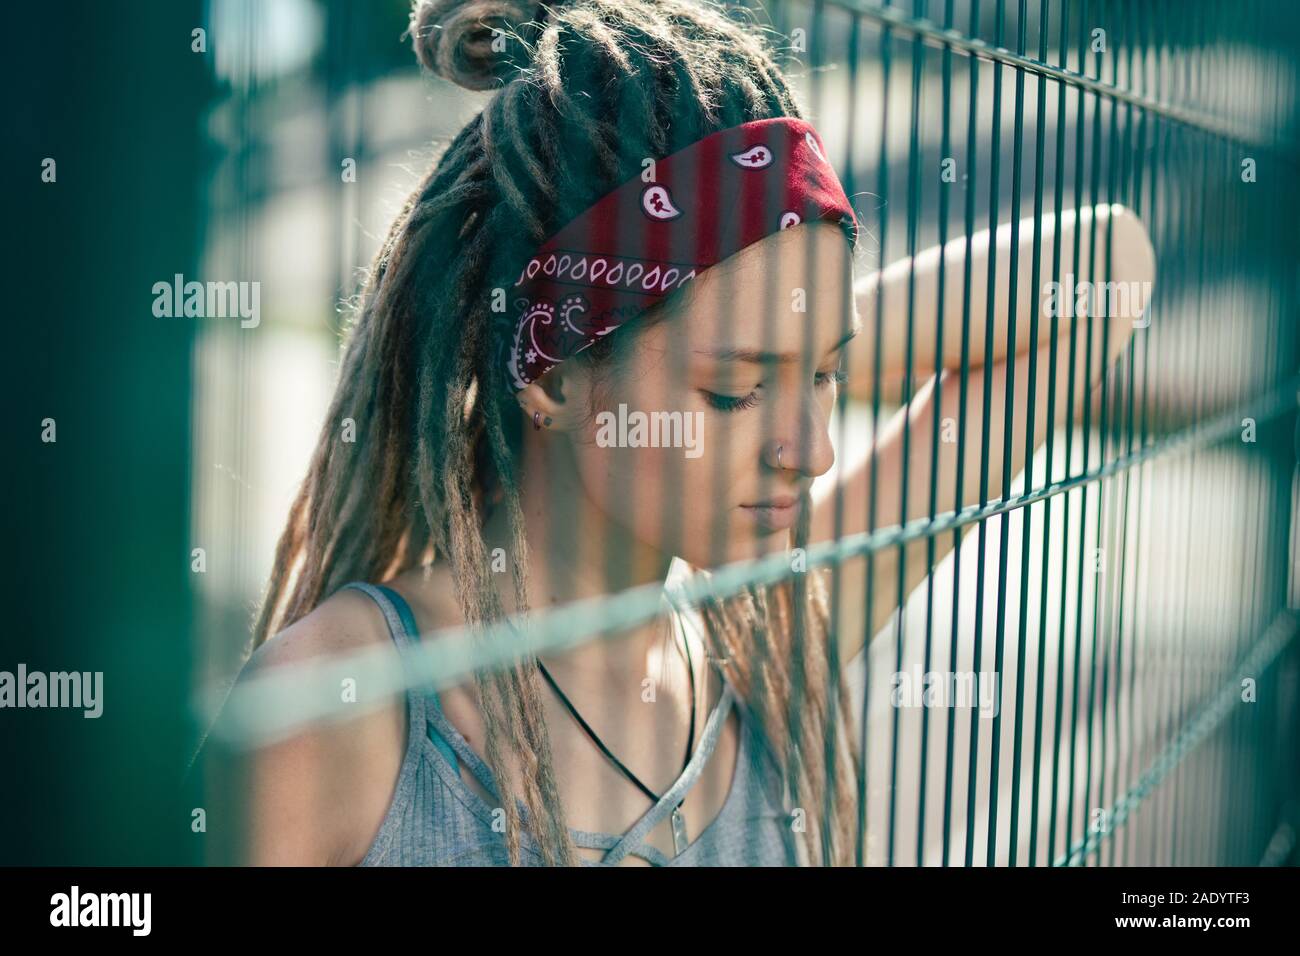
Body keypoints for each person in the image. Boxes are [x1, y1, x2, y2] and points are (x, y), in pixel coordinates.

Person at [221, 0, 1155, 867]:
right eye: (733, 393)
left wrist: (766, 344)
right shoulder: (344, 703)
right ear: (547, 376)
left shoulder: (766, 639)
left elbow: (1105, 270)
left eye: (826, 381)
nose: (814, 451)